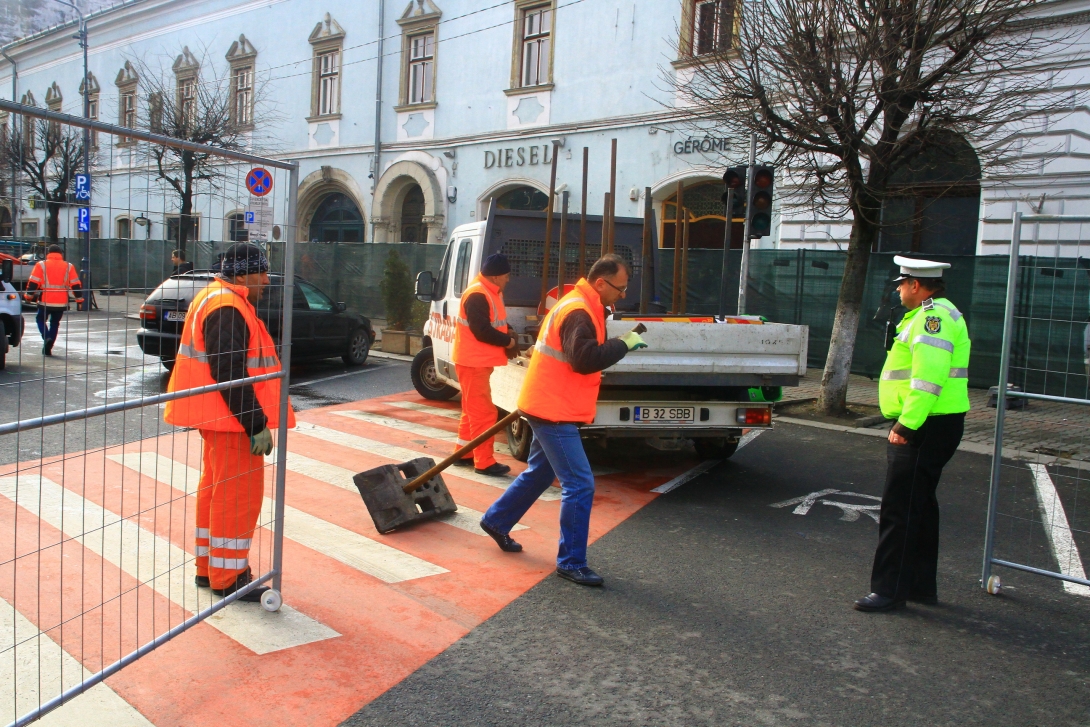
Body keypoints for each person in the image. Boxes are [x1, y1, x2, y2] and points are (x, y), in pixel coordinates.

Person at [479, 254, 648, 587]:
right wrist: (623, 343)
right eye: (620, 288)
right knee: (580, 484)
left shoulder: (581, 304)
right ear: (601, 283)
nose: (622, 294)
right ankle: (571, 561)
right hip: (553, 410)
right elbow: (584, 359)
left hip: (550, 403)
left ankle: (496, 520)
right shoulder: (578, 311)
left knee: (540, 472)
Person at [164, 242, 295, 601]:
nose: (267, 280)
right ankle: (230, 577)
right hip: (232, 421)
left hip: (220, 418)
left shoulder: (219, 298)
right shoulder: (227, 305)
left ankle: (210, 569)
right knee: (237, 496)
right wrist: (255, 423)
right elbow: (230, 373)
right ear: (242, 273)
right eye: (262, 272)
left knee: (216, 489)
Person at [855, 256, 971, 612]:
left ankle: (889, 591)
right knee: (920, 504)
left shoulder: (931, 319)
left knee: (900, 508)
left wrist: (906, 425)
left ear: (916, 285)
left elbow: (928, 379)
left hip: (925, 423)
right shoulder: (937, 314)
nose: (899, 289)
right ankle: (920, 586)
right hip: (937, 422)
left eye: (901, 283)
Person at [452, 253, 519, 476]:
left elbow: (491, 322)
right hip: (473, 361)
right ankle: (484, 462)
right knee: (484, 413)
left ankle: (464, 452)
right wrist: (508, 341)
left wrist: (507, 330)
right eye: (507, 276)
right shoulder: (478, 294)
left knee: (472, 410)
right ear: (497, 276)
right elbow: (481, 331)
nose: (509, 280)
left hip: (474, 361)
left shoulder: (487, 291)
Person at [24, 244, 83, 356]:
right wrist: (79, 300)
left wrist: (28, 296)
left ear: (48, 253)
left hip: (45, 301)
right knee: (55, 323)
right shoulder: (68, 266)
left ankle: (46, 337)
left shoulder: (41, 265)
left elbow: (33, 283)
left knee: (40, 319)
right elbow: (75, 284)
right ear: (61, 254)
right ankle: (49, 346)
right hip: (61, 302)